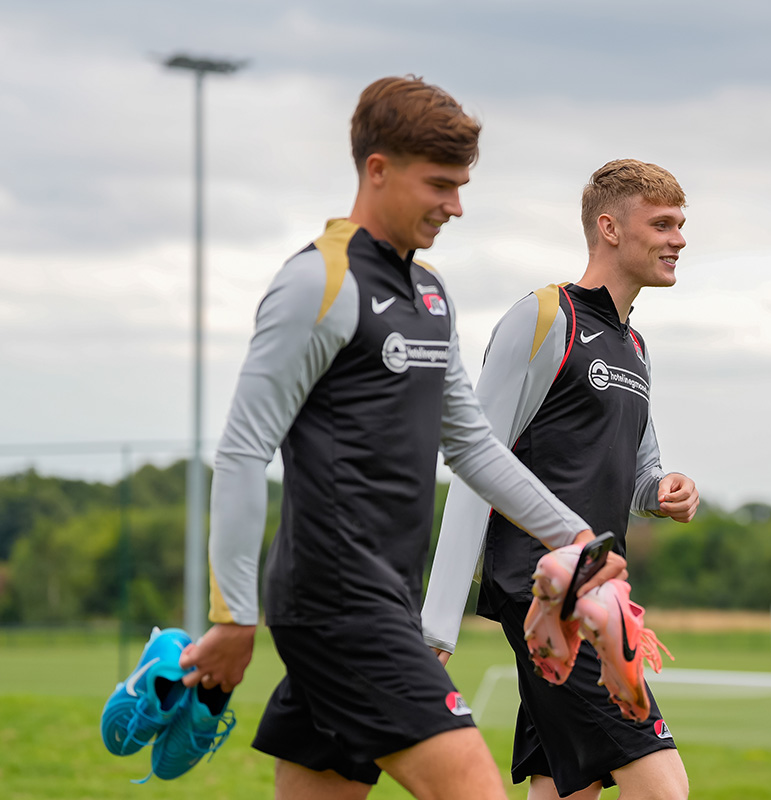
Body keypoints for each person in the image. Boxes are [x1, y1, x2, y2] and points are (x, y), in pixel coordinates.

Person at [177, 75, 626, 800]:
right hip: (338, 607)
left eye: (461, 186)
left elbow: (472, 445)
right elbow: (242, 451)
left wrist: (575, 539)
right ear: (378, 170)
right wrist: (233, 617)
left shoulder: (430, 294)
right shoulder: (316, 284)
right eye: (439, 185)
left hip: (385, 597)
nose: (455, 206)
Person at [422, 159, 700, 800]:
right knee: (663, 788)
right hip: (546, 593)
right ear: (610, 227)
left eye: (680, 225)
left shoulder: (635, 347)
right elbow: (475, 460)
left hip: (600, 594)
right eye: (662, 224)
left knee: (565, 791)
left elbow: (640, 474)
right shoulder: (546, 316)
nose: (679, 239)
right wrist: (437, 627)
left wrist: (663, 490)